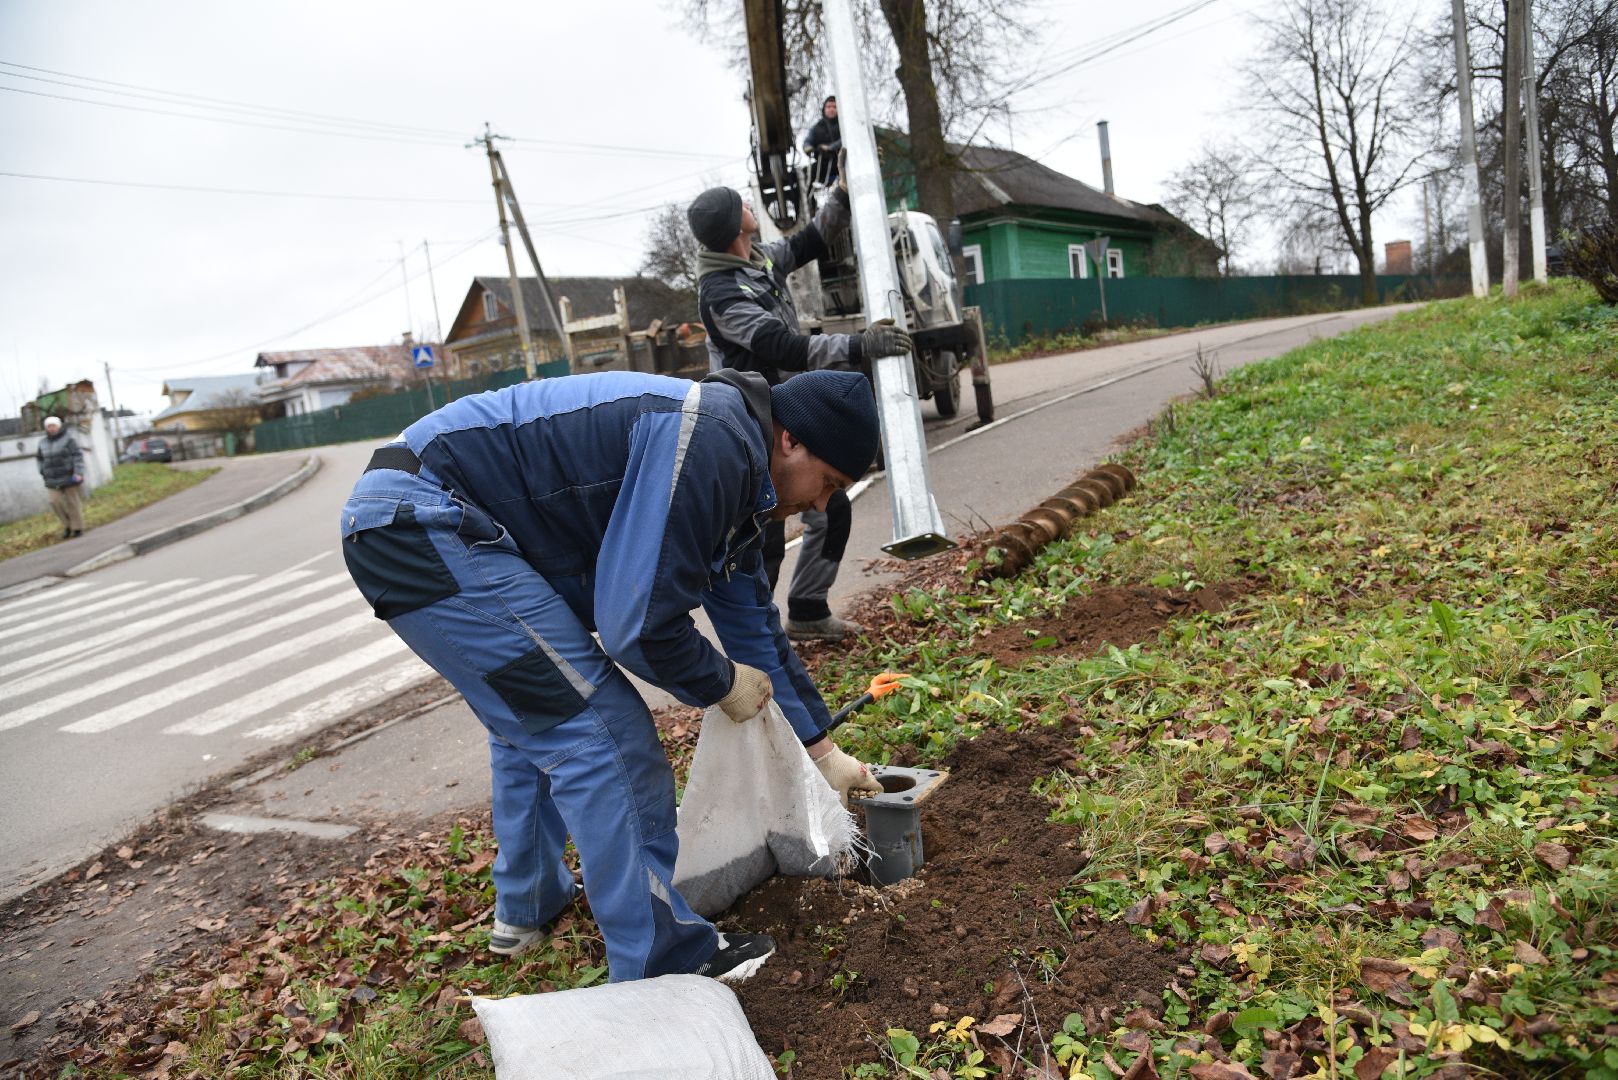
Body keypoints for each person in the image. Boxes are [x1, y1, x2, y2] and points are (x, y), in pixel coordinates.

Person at [340, 367, 885, 984]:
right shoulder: (715, 441)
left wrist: (822, 750)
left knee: (542, 713)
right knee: (605, 735)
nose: (823, 505)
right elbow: (638, 628)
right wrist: (720, 681)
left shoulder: (737, 475)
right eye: (828, 483)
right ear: (791, 440)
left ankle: (529, 904)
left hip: (410, 514)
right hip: (425, 520)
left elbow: (753, 629)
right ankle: (663, 958)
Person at [688, 181, 911, 643]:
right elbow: (783, 347)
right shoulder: (720, 291)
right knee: (761, 539)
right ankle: (753, 640)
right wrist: (858, 345)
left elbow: (811, 240)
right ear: (732, 225)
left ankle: (808, 609)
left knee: (832, 508)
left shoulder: (759, 258)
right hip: (752, 426)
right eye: (739, 205)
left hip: (785, 411)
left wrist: (842, 196)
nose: (749, 204)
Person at [37, 416, 86, 540]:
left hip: (69, 476)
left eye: (53, 425)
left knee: (72, 502)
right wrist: (42, 471)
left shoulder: (68, 439)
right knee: (54, 502)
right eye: (49, 426)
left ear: (58, 426)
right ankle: (68, 525)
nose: (51, 428)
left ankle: (77, 527)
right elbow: (39, 459)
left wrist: (78, 472)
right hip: (52, 479)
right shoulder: (42, 443)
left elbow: (77, 456)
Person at [802, 95, 841, 189]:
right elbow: (808, 141)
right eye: (829, 107)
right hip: (824, 163)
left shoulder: (843, 124)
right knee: (806, 174)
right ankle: (809, 197)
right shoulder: (818, 127)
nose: (831, 109)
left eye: (834, 107)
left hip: (842, 162)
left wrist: (830, 148)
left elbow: (845, 140)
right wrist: (808, 148)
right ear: (824, 109)